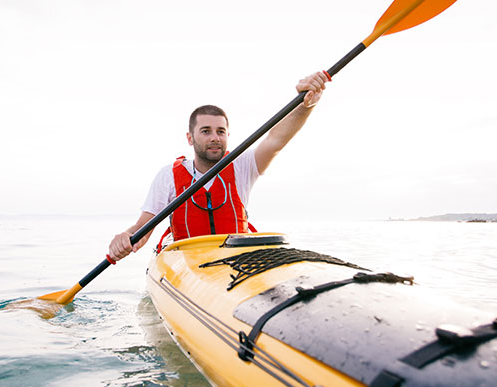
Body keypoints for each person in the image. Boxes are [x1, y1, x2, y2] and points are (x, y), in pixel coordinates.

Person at [108, 71, 330, 262]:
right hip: (187, 263)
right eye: (206, 131)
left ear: (227, 135)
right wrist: (125, 237)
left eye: (220, 132)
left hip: (237, 257)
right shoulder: (168, 175)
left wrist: (305, 104)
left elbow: (276, 139)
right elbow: (143, 229)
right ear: (190, 137)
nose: (215, 138)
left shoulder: (243, 165)